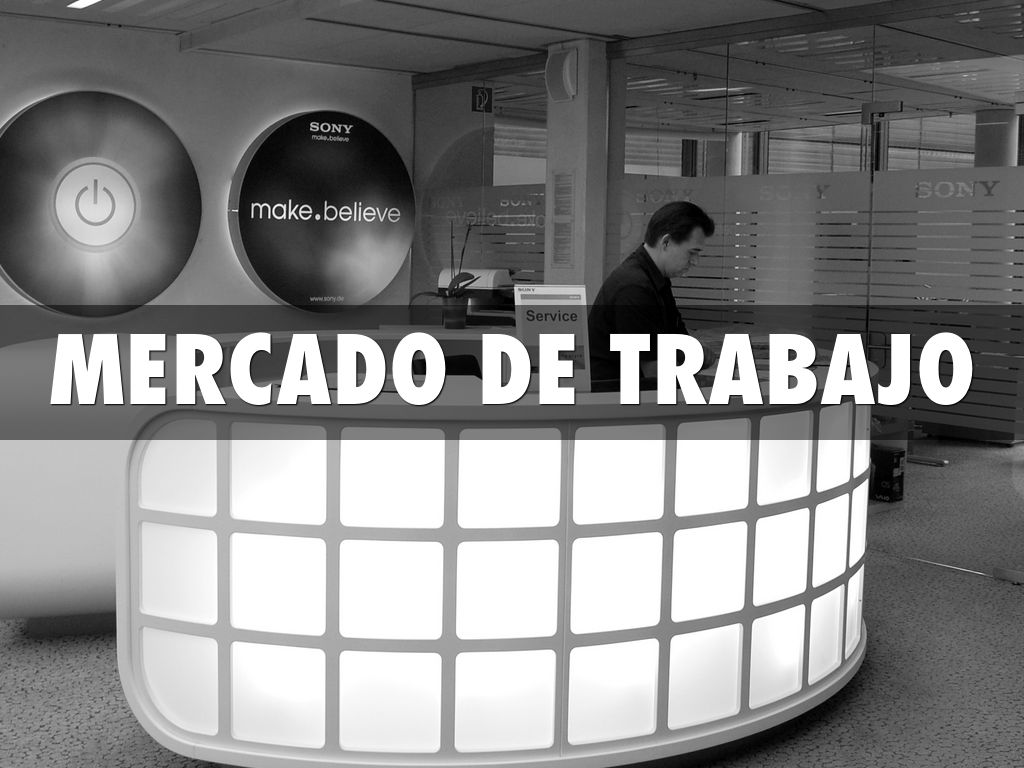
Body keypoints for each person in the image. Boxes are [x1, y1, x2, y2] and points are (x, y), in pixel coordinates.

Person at [588, 200, 715, 387]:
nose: (695, 261)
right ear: (666, 242)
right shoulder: (634, 288)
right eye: (692, 253)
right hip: (616, 395)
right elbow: (655, 371)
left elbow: (678, 338)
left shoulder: (655, 279)